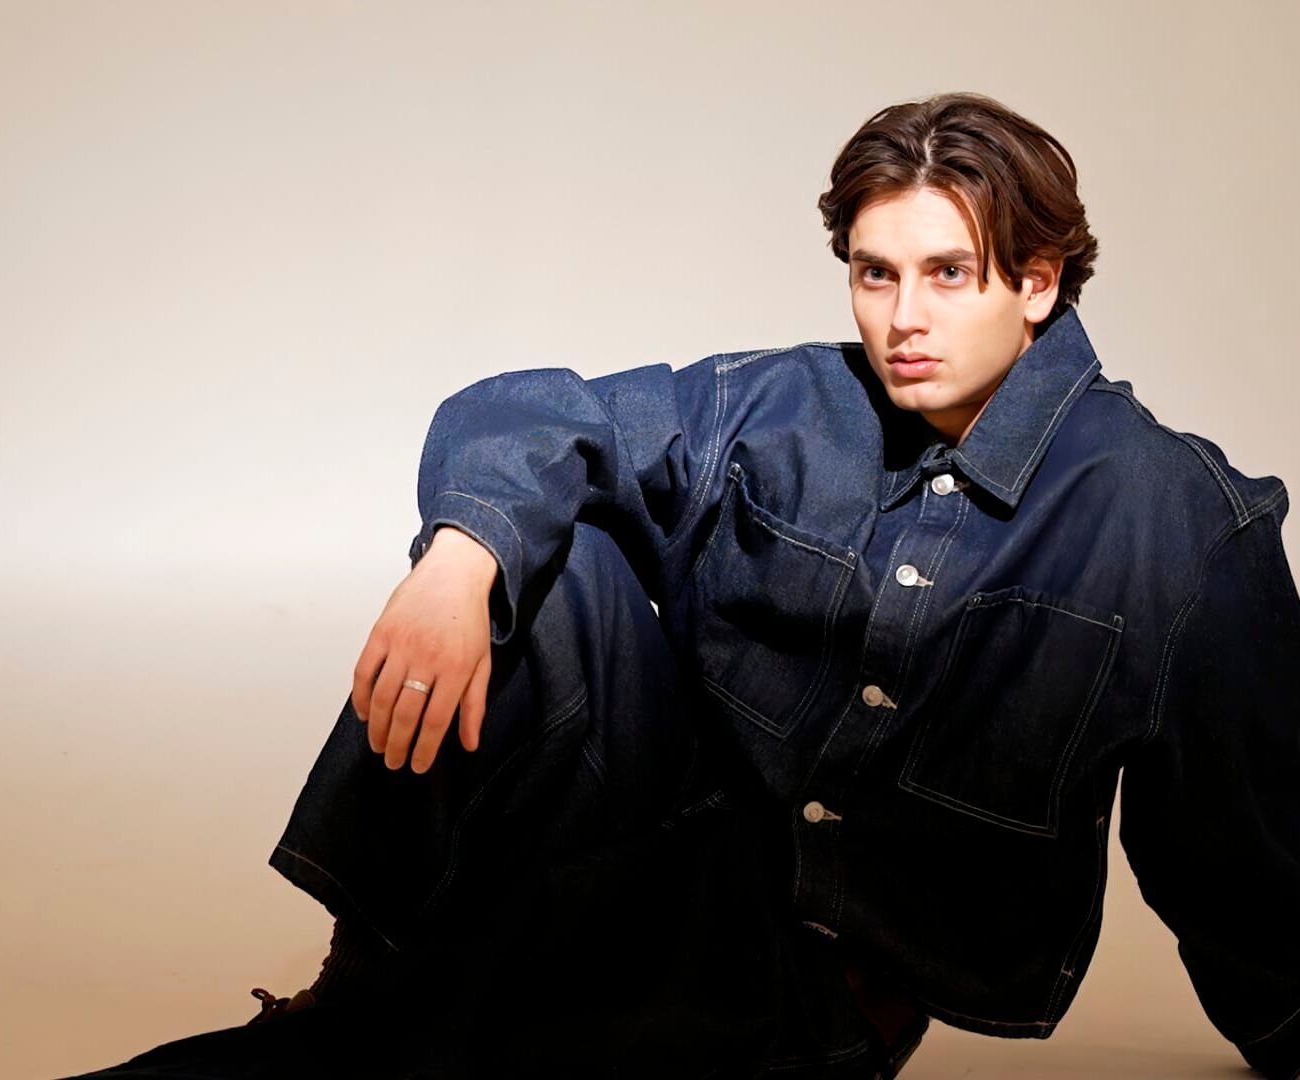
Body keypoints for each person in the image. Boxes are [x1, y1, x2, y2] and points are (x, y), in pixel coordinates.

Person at [76, 92, 1300, 1078]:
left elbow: (1246, 855)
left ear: (1035, 282)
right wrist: (462, 558)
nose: (901, 320)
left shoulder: (1178, 521)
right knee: (546, 556)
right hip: (648, 873)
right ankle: (374, 974)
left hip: (813, 994)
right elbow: (539, 413)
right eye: (875, 274)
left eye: (946, 274)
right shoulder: (788, 404)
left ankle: (395, 1014)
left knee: (418, 1053)